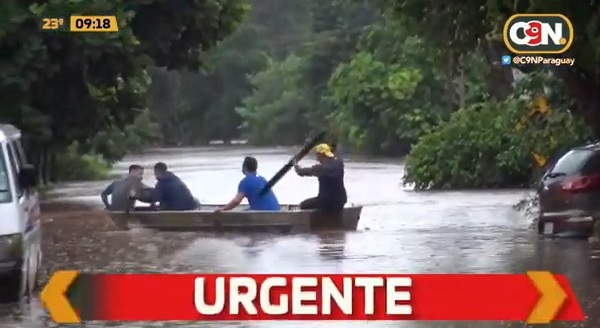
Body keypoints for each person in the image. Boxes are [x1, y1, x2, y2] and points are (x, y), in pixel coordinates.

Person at [293, 143, 347, 213]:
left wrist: (295, 164)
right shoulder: (339, 164)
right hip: (340, 201)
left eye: (317, 155)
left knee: (303, 205)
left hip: (325, 202)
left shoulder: (319, 168)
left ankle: (316, 220)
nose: (317, 158)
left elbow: (300, 172)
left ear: (322, 155)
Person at [216, 156, 280, 212]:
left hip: (263, 214)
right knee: (245, 210)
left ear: (244, 168)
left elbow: (236, 201)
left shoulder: (245, 182)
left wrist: (223, 209)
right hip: (276, 211)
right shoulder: (262, 179)